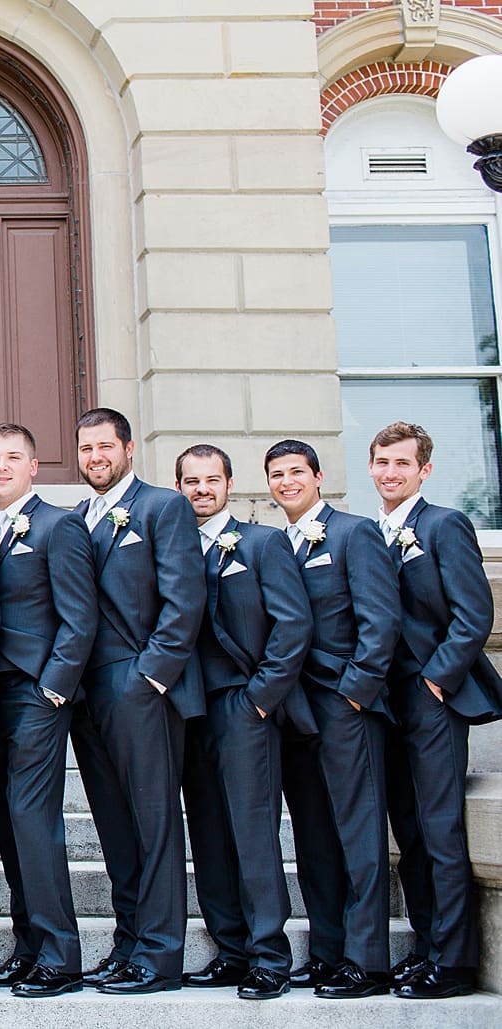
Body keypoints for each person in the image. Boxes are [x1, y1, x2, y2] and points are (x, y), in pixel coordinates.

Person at [68, 408, 204, 995]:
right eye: (86, 448)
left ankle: (161, 954)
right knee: (115, 826)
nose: (96, 457)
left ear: (127, 449)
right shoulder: (76, 518)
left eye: (105, 447)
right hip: (86, 692)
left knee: (153, 823)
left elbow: (184, 599)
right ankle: (128, 943)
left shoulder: (161, 507)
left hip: (141, 685)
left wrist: (151, 678)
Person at [174, 445, 313, 1001]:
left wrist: (260, 698)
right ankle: (229, 949)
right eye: (191, 481)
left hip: (243, 705)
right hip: (188, 710)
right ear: (178, 486)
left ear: (230, 484)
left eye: (212, 479)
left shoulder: (261, 543)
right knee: (207, 832)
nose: (201, 489)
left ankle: (269, 955)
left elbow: (293, 625)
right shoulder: (174, 547)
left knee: (253, 831)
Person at [368, 422, 501, 1000]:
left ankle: (455, 963)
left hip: (431, 699)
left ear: (423, 470)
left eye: (402, 463)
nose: (390, 473)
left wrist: (435, 684)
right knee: (410, 834)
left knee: (441, 829)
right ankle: (426, 948)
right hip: (384, 702)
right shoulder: (370, 532)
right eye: (381, 462)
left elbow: (473, 615)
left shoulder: (444, 525)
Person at [267, 438, 400, 999]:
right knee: (315, 834)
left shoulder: (352, 533)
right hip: (294, 709)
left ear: (318, 477)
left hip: (345, 706)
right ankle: (326, 953)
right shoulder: (277, 544)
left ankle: (366, 961)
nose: (286, 481)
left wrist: (356, 693)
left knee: (358, 832)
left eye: (296, 471)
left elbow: (380, 618)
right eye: (276, 474)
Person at [0, 423, 96, 999]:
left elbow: (79, 618)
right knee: (9, 818)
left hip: (37, 693)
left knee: (32, 816)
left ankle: (60, 955)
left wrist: (54, 689)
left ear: (34, 464)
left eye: (12, 457)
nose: (1, 466)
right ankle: (27, 948)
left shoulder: (58, 524)